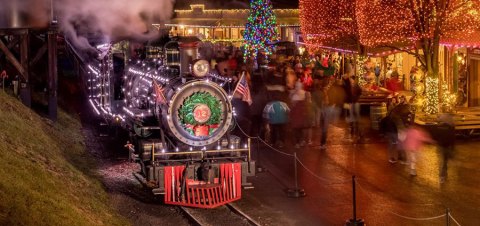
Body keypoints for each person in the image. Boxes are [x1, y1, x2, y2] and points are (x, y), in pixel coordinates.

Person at [432, 113, 455, 183]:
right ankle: (444, 172)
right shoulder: (451, 127)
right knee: (445, 160)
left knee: (441, 161)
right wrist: (452, 147)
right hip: (447, 145)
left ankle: (442, 176)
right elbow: (452, 138)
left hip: (440, 145)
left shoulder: (438, 127)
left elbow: (435, 136)